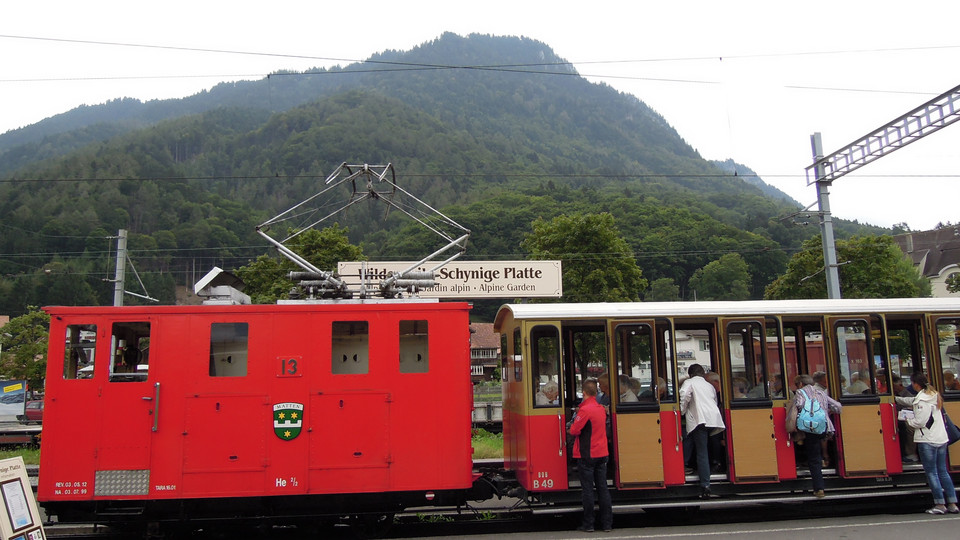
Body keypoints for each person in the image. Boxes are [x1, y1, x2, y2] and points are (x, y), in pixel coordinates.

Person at [895, 372, 959, 515]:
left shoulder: (922, 401)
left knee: (932, 473)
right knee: (943, 471)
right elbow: (913, 402)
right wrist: (897, 399)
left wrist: (907, 420)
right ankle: (952, 503)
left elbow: (920, 422)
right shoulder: (933, 395)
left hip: (927, 440)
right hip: (941, 438)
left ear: (916, 384)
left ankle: (939, 504)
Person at [568, 379, 613, 532]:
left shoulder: (585, 410)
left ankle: (589, 524)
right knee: (603, 488)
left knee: (588, 490)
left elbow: (574, 430)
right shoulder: (600, 408)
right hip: (602, 453)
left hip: (587, 455)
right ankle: (607, 524)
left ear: (584, 393)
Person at [789, 374, 842, 498]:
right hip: (823, 428)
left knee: (814, 458)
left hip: (809, 428)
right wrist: (825, 412)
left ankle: (819, 488)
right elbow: (838, 407)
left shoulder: (800, 393)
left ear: (800, 384)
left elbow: (799, 407)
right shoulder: (821, 393)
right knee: (817, 451)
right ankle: (825, 460)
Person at [679, 363, 725, 498]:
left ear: (690, 374)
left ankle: (705, 484)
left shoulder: (689, 382)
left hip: (700, 419)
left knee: (701, 452)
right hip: (713, 419)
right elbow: (714, 400)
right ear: (702, 373)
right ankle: (715, 464)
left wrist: (682, 410)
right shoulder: (708, 385)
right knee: (705, 444)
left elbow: (684, 395)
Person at [892, 373, 918, 463]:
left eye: (894, 387)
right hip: (904, 417)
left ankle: (909, 453)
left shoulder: (908, 395)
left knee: (907, 427)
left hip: (910, 418)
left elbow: (911, 403)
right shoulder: (899, 394)